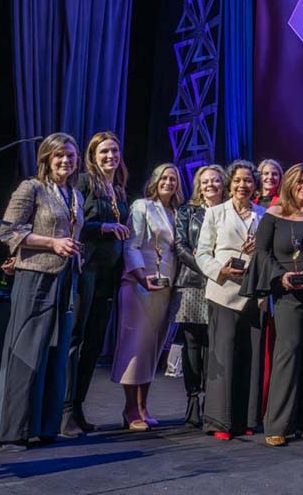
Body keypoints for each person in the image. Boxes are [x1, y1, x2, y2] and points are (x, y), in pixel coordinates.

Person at [240, 163, 303, 446]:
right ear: (289, 184)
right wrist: (280, 276)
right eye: (300, 182)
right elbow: (261, 252)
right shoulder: (273, 215)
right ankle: (278, 424)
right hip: (286, 293)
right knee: (289, 351)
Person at [0, 132, 84, 450]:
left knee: (56, 355)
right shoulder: (31, 188)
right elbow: (8, 230)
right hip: (35, 278)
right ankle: (15, 430)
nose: (66, 161)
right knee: (26, 353)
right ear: (46, 158)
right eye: (59, 155)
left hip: (65, 281)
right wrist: (51, 243)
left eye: (71, 156)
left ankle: (46, 426)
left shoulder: (75, 195)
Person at [61, 131, 130, 438]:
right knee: (75, 340)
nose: (110, 156)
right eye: (103, 151)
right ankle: (64, 411)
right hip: (85, 269)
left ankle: (79, 406)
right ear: (92, 155)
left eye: (114, 150)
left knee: (93, 344)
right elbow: (73, 224)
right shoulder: (84, 183)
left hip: (108, 276)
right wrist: (104, 225)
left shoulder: (119, 188)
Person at [196, 160, 267, 440]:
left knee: (250, 357)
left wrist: (259, 250)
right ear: (230, 184)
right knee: (222, 358)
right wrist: (220, 272)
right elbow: (202, 253)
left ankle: (246, 419)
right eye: (237, 180)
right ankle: (220, 422)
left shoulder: (263, 214)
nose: (242, 185)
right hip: (223, 291)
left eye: (248, 180)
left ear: (255, 185)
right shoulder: (214, 213)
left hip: (254, 294)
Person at [112, 163, 182, 431]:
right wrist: (141, 277)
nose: (168, 182)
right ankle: (130, 409)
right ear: (155, 180)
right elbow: (131, 244)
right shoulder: (142, 206)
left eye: (173, 178)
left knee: (153, 349)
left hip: (166, 287)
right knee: (135, 347)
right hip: (140, 284)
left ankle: (143, 406)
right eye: (164, 177)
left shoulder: (176, 212)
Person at [174, 164, 226, 428]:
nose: (210, 185)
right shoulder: (187, 211)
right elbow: (180, 245)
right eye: (205, 181)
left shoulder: (229, 210)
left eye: (216, 181)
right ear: (198, 185)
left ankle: (211, 400)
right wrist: (206, 267)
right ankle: (193, 398)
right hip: (193, 283)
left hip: (222, 284)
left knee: (214, 344)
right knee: (193, 342)